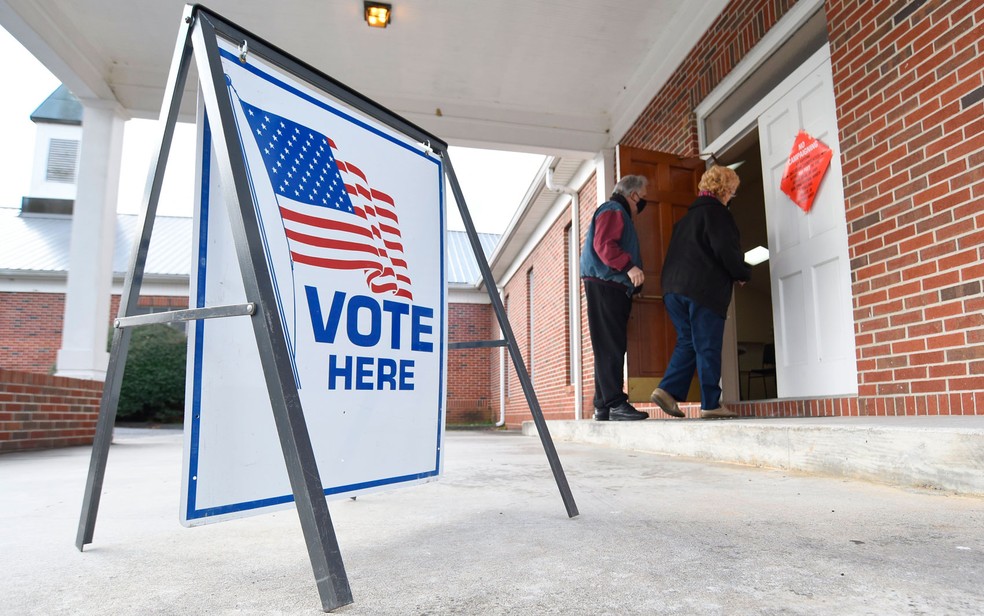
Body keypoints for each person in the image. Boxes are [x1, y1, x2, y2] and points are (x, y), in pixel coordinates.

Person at [649, 165, 751, 419]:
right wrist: (742, 273)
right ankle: (710, 404)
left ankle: (667, 390)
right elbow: (726, 250)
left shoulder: (685, 219)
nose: (732, 197)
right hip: (702, 289)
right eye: (733, 192)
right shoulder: (718, 215)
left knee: (688, 340)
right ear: (725, 190)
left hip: (673, 289)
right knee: (707, 344)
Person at [581, 175, 650, 421]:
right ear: (633, 195)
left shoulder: (615, 211)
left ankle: (603, 405)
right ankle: (615, 403)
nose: (643, 203)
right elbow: (605, 245)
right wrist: (629, 267)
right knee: (611, 344)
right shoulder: (613, 210)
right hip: (608, 284)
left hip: (606, 284)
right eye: (643, 197)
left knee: (606, 344)